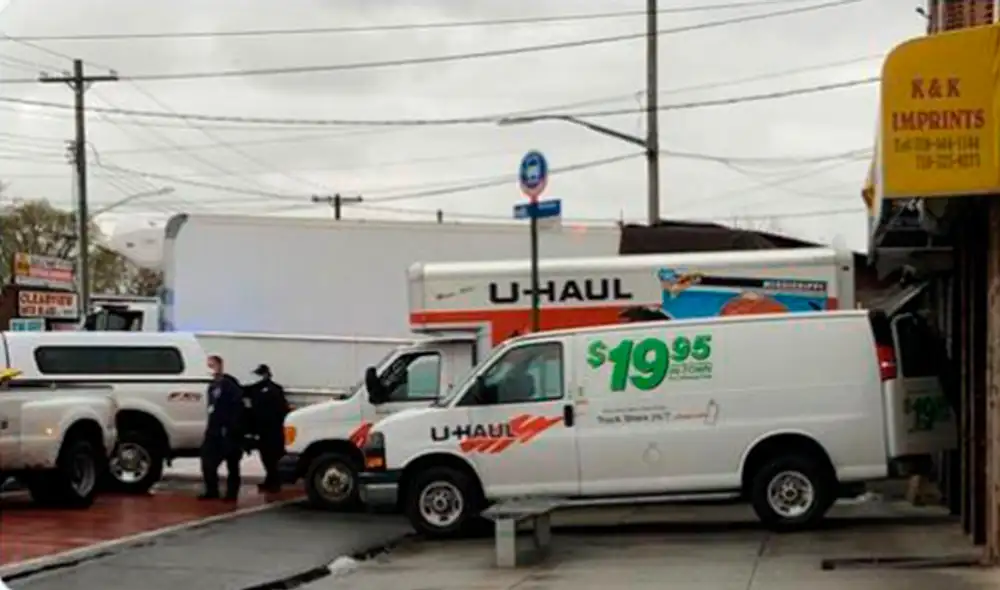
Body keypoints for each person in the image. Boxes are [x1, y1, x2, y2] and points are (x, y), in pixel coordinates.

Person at [200, 355, 244, 501]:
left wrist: (232, 427)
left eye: (212, 365)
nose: (210, 369)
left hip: (229, 431)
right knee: (208, 462)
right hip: (213, 430)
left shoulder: (230, 385)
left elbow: (237, 408)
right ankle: (212, 490)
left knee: (232, 463)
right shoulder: (211, 386)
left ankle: (232, 494)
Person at [244, 364, 289, 492]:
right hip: (263, 429)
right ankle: (271, 480)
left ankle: (274, 482)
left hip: (272, 429)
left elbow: (281, 410)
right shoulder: (256, 389)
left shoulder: (273, 390)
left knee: (272, 457)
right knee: (266, 457)